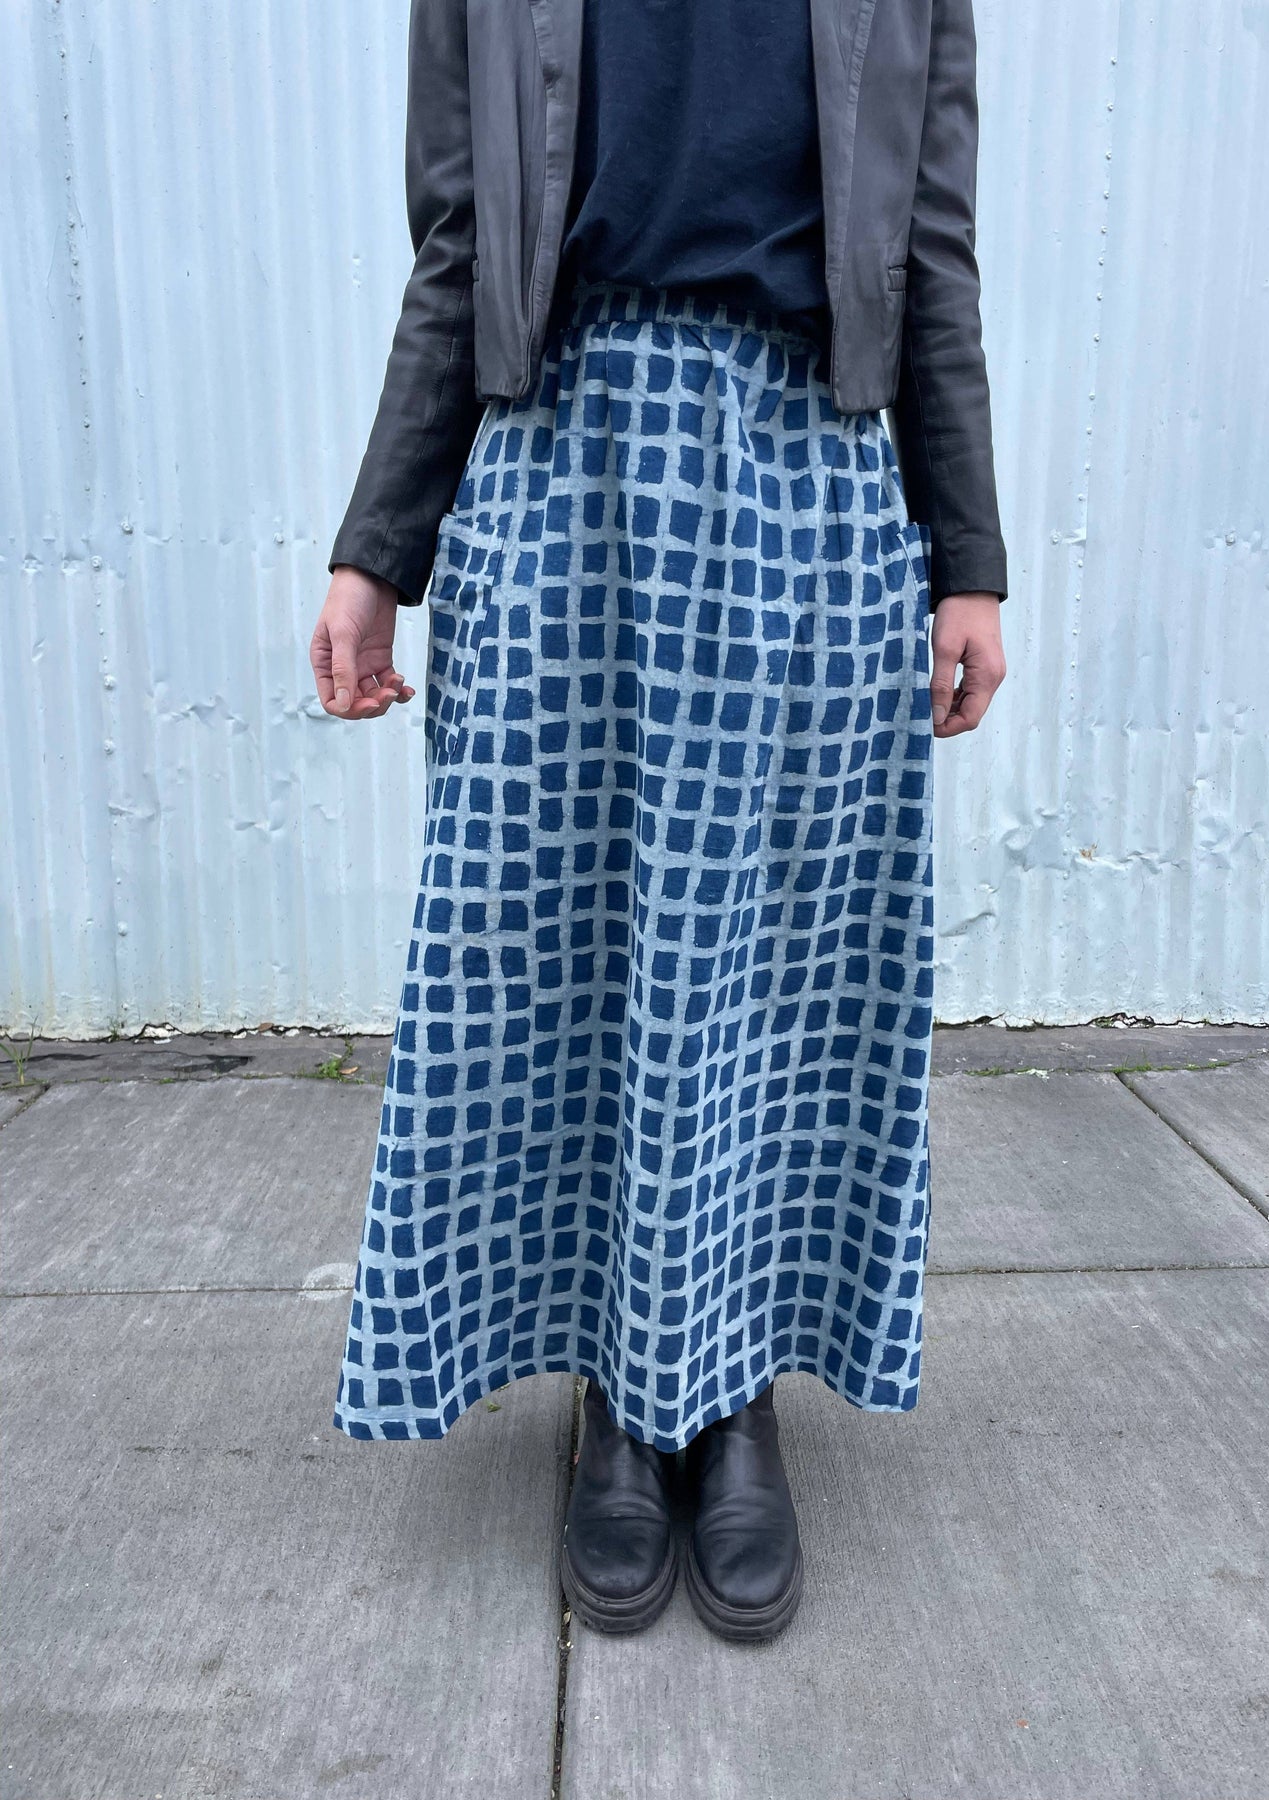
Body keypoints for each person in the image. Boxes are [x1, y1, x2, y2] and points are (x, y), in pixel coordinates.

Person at [310, 0, 1007, 1644]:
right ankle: (621, 1402)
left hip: (809, 470)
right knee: (551, 964)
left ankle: (733, 1386)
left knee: (775, 970)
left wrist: (966, 555)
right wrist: (376, 545)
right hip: (562, 459)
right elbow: (458, 241)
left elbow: (928, 246)